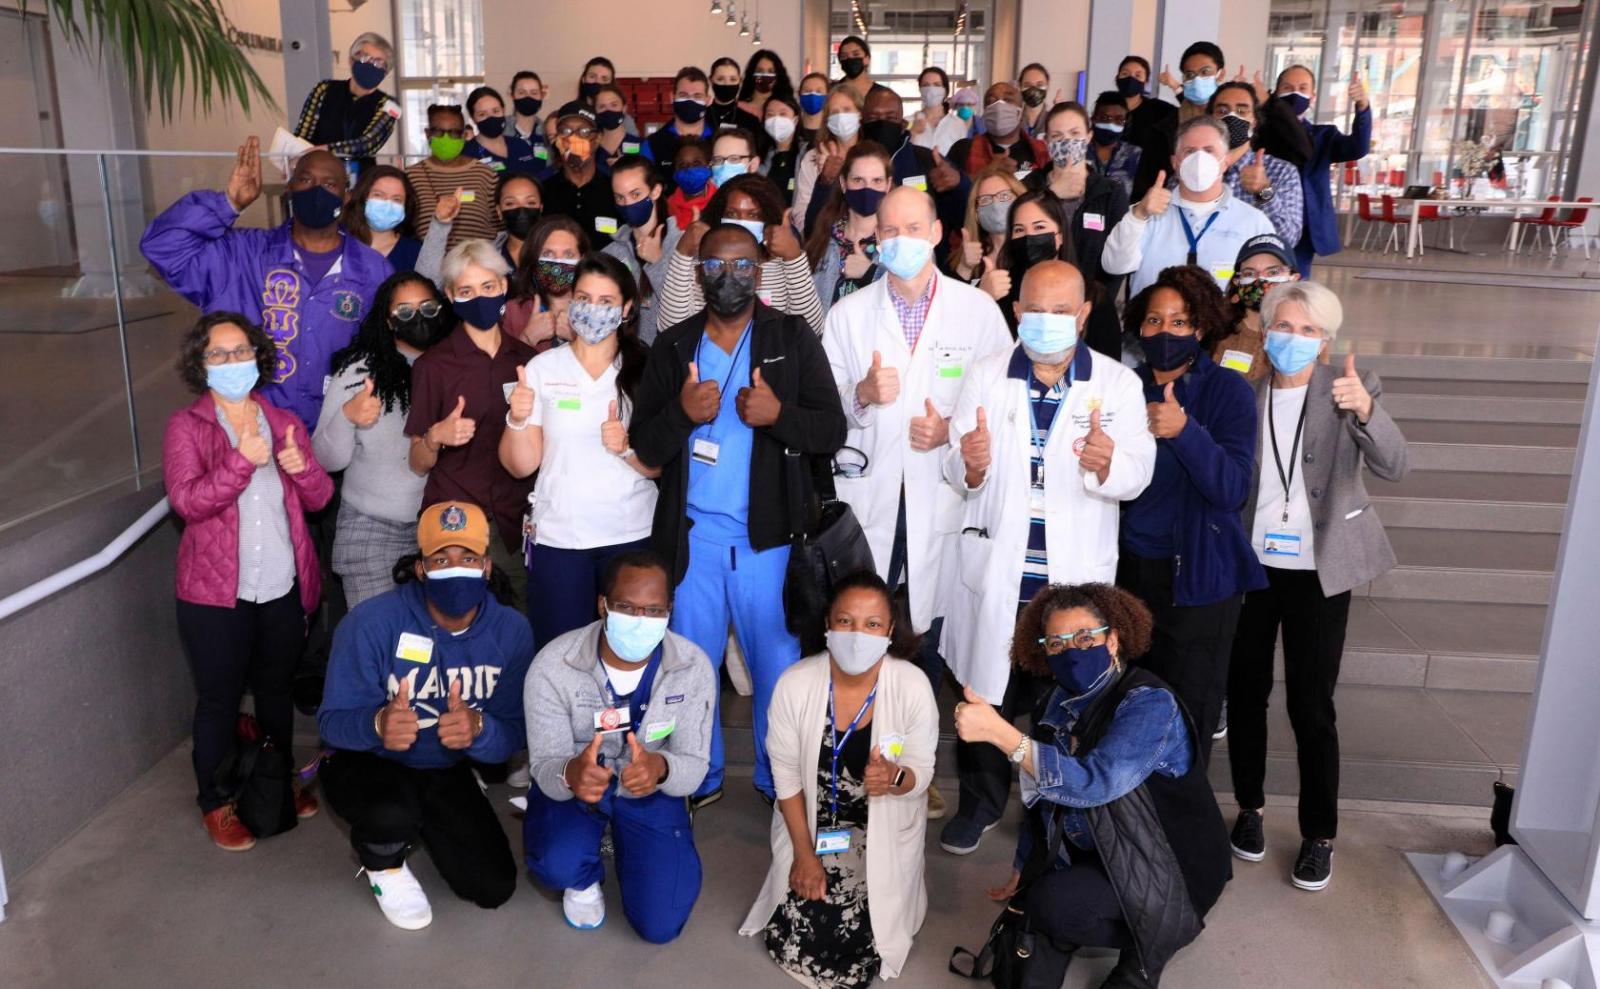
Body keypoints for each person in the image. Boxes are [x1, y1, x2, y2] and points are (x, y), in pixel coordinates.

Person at [628, 222, 847, 807]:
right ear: (699, 271)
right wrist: (681, 414)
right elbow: (646, 446)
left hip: (769, 543)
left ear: (761, 270)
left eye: (745, 265)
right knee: (692, 670)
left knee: (777, 670)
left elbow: (832, 429)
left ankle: (782, 783)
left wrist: (779, 415)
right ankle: (698, 776)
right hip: (693, 542)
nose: (731, 278)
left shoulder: (792, 337)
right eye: (718, 266)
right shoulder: (673, 346)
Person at [940, 261, 1155, 854]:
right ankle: (979, 804)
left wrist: (1107, 462)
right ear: (1017, 312)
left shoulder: (1116, 385)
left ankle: (1058, 808)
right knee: (989, 690)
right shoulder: (986, 376)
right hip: (999, 572)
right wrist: (972, 463)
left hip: (1071, 576)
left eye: (1062, 312)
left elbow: (1138, 474)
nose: (1048, 322)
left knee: (1066, 699)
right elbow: (955, 466)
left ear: (1084, 315)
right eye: (1036, 310)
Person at [822, 185, 1012, 825]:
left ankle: (915, 769)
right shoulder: (849, 314)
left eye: (913, 227)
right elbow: (826, 415)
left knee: (927, 645)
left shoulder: (979, 313)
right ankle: (858, 765)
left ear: (938, 233)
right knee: (867, 629)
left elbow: (1000, 413)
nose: (899, 240)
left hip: (942, 498)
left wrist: (951, 431)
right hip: (871, 499)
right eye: (887, 231)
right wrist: (861, 394)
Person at [954, 583, 1232, 989]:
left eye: (1085, 638)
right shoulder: (1057, 701)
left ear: (1114, 640)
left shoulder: (1149, 703)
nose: (1072, 652)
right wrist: (1025, 866)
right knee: (1036, 910)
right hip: (1105, 847)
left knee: (1055, 906)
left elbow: (1095, 782)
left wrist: (1005, 737)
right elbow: (1043, 798)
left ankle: (1144, 958)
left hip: (1171, 868)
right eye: (1056, 643)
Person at [1228, 281, 1407, 893]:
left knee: (1312, 703)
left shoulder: (1348, 392)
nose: (1294, 339)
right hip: (1251, 567)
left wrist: (1366, 411)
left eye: (1308, 331)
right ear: (1266, 329)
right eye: (1284, 326)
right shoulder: (1242, 396)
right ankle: (1248, 809)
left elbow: (1395, 465)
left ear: (1326, 341)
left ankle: (1318, 834)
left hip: (1319, 569)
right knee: (1245, 692)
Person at [317, 500, 533, 929]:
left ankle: (435, 807)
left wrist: (480, 730)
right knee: (392, 815)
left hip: (442, 764)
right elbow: (330, 721)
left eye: (467, 558)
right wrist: (376, 724)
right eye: (441, 558)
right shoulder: (372, 622)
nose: (455, 569)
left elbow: (516, 731)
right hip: (368, 760)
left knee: (493, 887)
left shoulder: (511, 630)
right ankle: (383, 862)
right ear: (420, 568)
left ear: (487, 567)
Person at [165, 312, 331, 850]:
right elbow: (187, 502)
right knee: (219, 700)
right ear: (201, 364)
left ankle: (275, 782)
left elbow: (320, 497)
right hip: (215, 596)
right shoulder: (187, 426)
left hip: (280, 585)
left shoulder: (282, 419)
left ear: (258, 358)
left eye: (241, 352)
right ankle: (216, 801)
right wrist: (240, 461)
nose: (232, 362)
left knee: (277, 693)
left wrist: (298, 465)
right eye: (219, 354)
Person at [739, 572, 938, 985]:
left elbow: (922, 773)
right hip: (813, 824)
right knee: (805, 934)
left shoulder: (913, 686)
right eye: (845, 621)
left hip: (881, 825)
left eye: (872, 624)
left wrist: (896, 778)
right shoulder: (795, 684)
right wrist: (804, 854)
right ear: (827, 623)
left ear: (890, 630)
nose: (857, 634)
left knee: (863, 937)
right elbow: (787, 778)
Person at [522, 551, 716, 939]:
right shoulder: (552, 665)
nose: (639, 621)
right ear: (603, 606)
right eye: (626, 607)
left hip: (650, 790)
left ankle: (628, 838)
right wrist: (568, 772)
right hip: (577, 790)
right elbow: (544, 763)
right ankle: (582, 877)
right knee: (556, 862)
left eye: (653, 610)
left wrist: (661, 768)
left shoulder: (693, 667)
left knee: (660, 925)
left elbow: (694, 765)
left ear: (669, 612)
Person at [141, 138, 390, 431]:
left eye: (329, 183)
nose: (316, 190)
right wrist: (228, 203)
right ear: (290, 190)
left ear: (346, 197)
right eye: (306, 180)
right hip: (250, 433)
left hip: (335, 430)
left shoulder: (373, 270)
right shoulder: (241, 255)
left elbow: (385, 354)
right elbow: (162, 246)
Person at [1117, 264, 1264, 754]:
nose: (1165, 331)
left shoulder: (1227, 391)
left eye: (1179, 322)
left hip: (1200, 580)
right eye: (1154, 320)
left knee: (1187, 716)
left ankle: (1180, 824)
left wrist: (1185, 432)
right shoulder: (1120, 388)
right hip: (1127, 575)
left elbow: (1231, 490)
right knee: (1125, 712)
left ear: (1200, 327)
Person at [501, 254, 659, 648]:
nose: (593, 309)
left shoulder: (647, 369)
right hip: (560, 540)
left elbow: (660, 467)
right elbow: (521, 466)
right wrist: (517, 419)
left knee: (628, 651)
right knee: (560, 654)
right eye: (584, 298)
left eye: (606, 302)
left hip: (630, 535)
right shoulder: (542, 368)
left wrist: (624, 450)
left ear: (626, 309)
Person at [406, 240, 538, 609]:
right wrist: (436, 437)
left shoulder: (527, 361)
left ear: (504, 286)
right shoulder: (433, 366)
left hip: (514, 522)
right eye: (466, 290)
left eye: (488, 287)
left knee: (515, 626)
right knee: (454, 621)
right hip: (455, 521)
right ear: (450, 295)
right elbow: (417, 461)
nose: (479, 298)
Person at [314, 272, 452, 607]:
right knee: (376, 645)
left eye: (427, 308)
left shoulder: (457, 365)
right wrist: (347, 417)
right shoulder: (361, 372)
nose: (417, 319)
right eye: (404, 312)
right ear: (388, 322)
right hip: (372, 530)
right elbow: (324, 458)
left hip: (444, 534)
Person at [1101, 115, 1276, 297]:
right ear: (1175, 162)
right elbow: (1113, 265)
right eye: (1190, 151)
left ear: (1225, 162)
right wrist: (1138, 215)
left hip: (1225, 325)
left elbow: (1268, 292)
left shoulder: (1253, 222)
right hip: (1157, 323)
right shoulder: (1146, 214)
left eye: (1209, 151)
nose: (1200, 159)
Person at [805, 85, 970, 254]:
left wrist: (959, 185)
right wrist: (825, 183)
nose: (881, 123)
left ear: (903, 123)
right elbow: (814, 228)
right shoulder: (850, 167)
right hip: (858, 265)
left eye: (890, 118)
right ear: (862, 124)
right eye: (873, 118)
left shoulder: (926, 161)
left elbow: (965, 219)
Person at [1022, 102, 1130, 358]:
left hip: (1095, 312)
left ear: (1089, 137)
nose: (1067, 143)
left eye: (1074, 134)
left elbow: (1118, 259)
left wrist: (1093, 304)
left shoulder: (1110, 191)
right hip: (1041, 314)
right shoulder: (1028, 188)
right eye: (1057, 137)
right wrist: (1051, 195)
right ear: (1046, 141)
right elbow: (1021, 246)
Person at [662, 172, 822, 333]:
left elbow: (811, 329)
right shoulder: (703, 262)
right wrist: (682, 252)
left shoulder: (783, 262)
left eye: (753, 215)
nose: (741, 222)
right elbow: (669, 329)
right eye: (732, 214)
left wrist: (793, 257)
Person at [1276, 64, 1371, 275]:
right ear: (1276, 93)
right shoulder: (1262, 133)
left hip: (1306, 225)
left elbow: (1358, 147)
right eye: (1288, 87)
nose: (1295, 94)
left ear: (1313, 95)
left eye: (1303, 88)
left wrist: (1362, 105)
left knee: (1296, 282)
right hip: (1270, 217)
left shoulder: (1323, 136)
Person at [1208, 82, 1304, 248]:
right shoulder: (1193, 167)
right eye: (1222, 111)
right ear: (1210, 119)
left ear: (1254, 120)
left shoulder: (1282, 172)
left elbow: (1288, 239)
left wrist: (1263, 191)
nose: (1231, 117)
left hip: (1251, 270)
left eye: (1241, 111)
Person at [805, 141, 892, 318]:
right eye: (858, 180)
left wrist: (871, 273)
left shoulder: (901, 242)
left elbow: (916, 296)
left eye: (876, 181)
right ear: (844, 183)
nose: (867, 189)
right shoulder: (823, 238)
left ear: (888, 185)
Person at [604, 155, 684, 345]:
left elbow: (687, 310)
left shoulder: (683, 245)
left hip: (672, 359)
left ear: (655, 191)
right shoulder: (611, 254)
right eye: (620, 197)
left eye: (636, 194)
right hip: (626, 360)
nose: (628, 204)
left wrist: (657, 263)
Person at [292, 32, 399, 173]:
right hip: (316, 173)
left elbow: (367, 144)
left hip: (360, 182)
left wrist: (323, 150)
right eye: (365, 57)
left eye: (378, 62)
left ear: (386, 71)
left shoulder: (388, 105)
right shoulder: (324, 89)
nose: (370, 65)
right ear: (351, 60)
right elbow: (303, 133)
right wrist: (295, 161)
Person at [419, 171, 544, 287]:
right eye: (510, 203)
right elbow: (428, 285)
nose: (521, 210)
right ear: (499, 211)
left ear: (541, 208)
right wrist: (440, 225)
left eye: (530, 203)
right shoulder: (482, 255)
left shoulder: (557, 251)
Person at [405, 104, 501, 250]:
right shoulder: (411, 176)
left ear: (464, 135)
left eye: (454, 132)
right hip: (429, 268)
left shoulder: (485, 175)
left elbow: (500, 227)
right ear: (427, 133)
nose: (446, 138)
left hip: (478, 267)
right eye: (438, 131)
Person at [1209, 233, 1300, 382]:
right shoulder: (1216, 330)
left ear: (1293, 279)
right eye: (1250, 273)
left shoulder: (1306, 335)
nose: (1261, 280)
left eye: (1273, 272)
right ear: (1238, 282)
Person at [504, 214, 588, 350]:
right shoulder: (514, 311)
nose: (558, 262)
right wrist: (527, 338)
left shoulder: (596, 309)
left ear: (583, 259)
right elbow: (501, 370)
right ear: (534, 259)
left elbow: (616, 366)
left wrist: (577, 340)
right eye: (548, 254)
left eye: (568, 255)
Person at [541, 112, 622, 251]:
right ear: (558, 140)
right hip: (557, 271)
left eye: (583, 131)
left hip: (605, 270)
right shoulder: (542, 190)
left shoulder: (616, 189)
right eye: (566, 131)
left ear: (597, 139)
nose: (574, 138)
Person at [791, 85, 863, 234]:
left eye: (847, 110)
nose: (841, 117)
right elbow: (801, 211)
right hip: (822, 241)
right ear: (827, 120)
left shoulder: (872, 156)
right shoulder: (812, 157)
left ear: (860, 113)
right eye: (834, 112)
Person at [948, 82, 1049, 178]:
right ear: (985, 112)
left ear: (1020, 112)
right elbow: (952, 191)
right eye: (991, 101)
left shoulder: (1041, 151)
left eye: (1008, 100)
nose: (999, 105)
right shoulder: (963, 149)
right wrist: (984, 173)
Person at [1114, 56, 1178, 201]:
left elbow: (1191, 113)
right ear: (1117, 78)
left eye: (1138, 75)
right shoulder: (1107, 111)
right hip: (1112, 191)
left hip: (1147, 193)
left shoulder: (1159, 110)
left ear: (1146, 82)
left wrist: (1174, 86)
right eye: (1125, 73)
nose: (1131, 78)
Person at [951, 162, 1025, 286]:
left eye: (1004, 196)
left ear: (1020, 200)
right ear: (975, 212)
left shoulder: (1032, 252)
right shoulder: (963, 259)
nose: (995, 204)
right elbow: (950, 303)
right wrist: (964, 268)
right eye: (986, 199)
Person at [343, 165, 424, 273]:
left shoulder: (415, 253)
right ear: (363, 198)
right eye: (378, 195)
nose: (387, 205)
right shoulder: (340, 244)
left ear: (406, 206)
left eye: (396, 199)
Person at [463, 85, 546, 178]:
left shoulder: (520, 145)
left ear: (503, 110)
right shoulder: (467, 154)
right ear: (473, 118)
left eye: (496, 111)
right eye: (482, 114)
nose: (491, 118)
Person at [644, 67, 715, 169]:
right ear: (672, 97)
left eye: (697, 96)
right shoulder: (652, 144)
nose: (690, 101)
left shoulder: (719, 140)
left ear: (708, 100)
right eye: (684, 95)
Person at [555, 56, 641, 136]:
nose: (597, 82)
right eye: (592, 76)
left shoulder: (623, 119)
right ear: (584, 79)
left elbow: (634, 146)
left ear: (611, 83)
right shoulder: (571, 111)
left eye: (604, 79)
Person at [1090, 91, 1142, 197]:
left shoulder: (1136, 155)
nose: (1111, 124)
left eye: (1119, 120)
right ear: (1094, 119)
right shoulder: (1079, 151)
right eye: (1105, 118)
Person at [708, 57, 766, 148]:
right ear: (711, 81)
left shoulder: (751, 121)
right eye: (720, 79)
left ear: (740, 80)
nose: (727, 84)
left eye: (733, 79)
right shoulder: (702, 117)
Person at [910, 66, 968, 156]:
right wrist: (913, 133)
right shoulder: (908, 121)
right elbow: (901, 156)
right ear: (920, 90)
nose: (931, 89)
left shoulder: (958, 124)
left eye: (936, 85)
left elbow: (961, 158)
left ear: (945, 90)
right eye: (926, 85)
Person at [593, 83, 648, 171]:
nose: (608, 110)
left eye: (614, 105)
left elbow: (650, 179)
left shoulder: (642, 145)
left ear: (624, 108)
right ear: (595, 111)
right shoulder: (591, 148)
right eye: (601, 106)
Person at [666, 137, 717, 231]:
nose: (689, 169)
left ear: (708, 167)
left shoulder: (720, 201)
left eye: (696, 163)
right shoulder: (667, 207)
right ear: (674, 172)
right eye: (682, 165)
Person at [761, 95, 804, 205]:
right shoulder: (761, 155)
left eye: (783, 114)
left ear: (795, 119)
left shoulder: (807, 154)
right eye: (770, 115)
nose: (776, 120)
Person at [739, 48, 794, 120]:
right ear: (751, 74)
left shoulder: (786, 108)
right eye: (760, 70)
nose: (765, 75)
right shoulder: (740, 107)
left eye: (771, 71)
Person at [709, 127, 764, 194]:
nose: (725, 166)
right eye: (718, 160)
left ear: (753, 164)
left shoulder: (765, 201)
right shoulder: (705, 201)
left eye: (734, 159)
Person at [507, 69, 549, 147]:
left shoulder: (547, 132)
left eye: (534, 93)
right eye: (521, 93)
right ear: (512, 96)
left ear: (541, 96)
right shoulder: (501, 130)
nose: (528, 97)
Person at [1018, 62, 1055, 137]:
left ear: (1048, 86)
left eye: (1039, 84)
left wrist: (1061, 111)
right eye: (1027, 85)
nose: (1033, 89)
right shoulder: (1012, 119)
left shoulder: (1054, 118)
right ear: (1020, 87)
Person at [835, 35, 876, 100]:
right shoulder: (832, 90)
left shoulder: (880, 93)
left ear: (867, 59)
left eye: (856, 54)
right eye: (844, 56)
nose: (850, 59)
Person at [796, 71, 830, 147]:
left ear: (828, 96)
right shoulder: (792, 130)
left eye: (818, 91)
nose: (813, 95)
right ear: (799, 95)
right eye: (807, 91)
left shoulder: (832, 131)